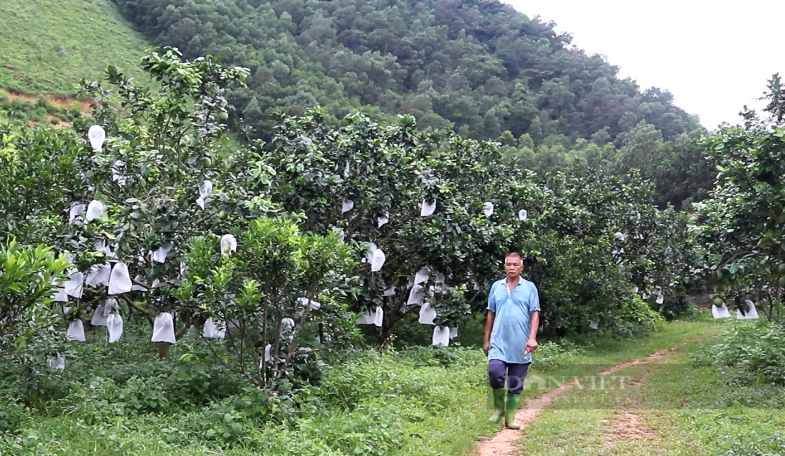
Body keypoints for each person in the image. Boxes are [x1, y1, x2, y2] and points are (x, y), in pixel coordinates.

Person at [483, 252, 540, 429]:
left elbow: (534, 314)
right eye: (509, 264)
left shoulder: (529, 287)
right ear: (504, 266)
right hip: (498, 341)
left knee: (515, 382)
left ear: (521, 267)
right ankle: (498, 409)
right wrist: (486, 340)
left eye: (515, 265)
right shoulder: (496, 286)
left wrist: (532, 338)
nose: (512, 267)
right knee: (495, 373)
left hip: (521, 343)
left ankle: (510, 418)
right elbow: (490, 314)